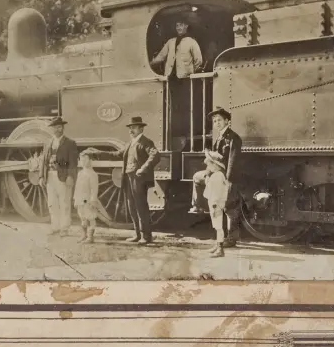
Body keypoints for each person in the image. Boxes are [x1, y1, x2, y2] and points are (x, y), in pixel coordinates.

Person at [86, 116, 160, 244]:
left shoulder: (146, 142)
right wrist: (98, 152)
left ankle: (146, 236)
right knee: (132, 207)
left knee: (141, 206)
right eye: (130, 128)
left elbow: (155, 155)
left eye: (134, 128)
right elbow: (116, 154)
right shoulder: (130, 143)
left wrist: (143, 168)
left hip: (138, 179)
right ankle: (137, 235)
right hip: (128, 178)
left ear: (141, 129)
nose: (131, 130)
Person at [190, 107, 243, 248]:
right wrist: (208, 173)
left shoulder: (233, 138)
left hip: (226, 177)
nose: (217, 123)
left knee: (230, 207)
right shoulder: (219, 138)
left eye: (219, 120)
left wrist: (229, 180)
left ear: (227, 121)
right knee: (197, 177)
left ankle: (232, 239)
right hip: (216, 175)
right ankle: (198, 206)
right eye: (214, 121)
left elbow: (233, 160)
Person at [150, 17, 203, 147]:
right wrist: (148, 64)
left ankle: (186, 132)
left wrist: (189, 73)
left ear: (187, 26)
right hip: (171, 79)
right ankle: (175, 132)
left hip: (185, 79)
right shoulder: (170, 42)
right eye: (177, 25)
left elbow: (199, 61)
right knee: (173, 106)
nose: (179, 27)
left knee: (186, 106)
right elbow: (161, 57)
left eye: (181, 25)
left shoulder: (191, 42)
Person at [39, 116, 79, 236]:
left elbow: (73, 162)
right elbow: (43, 161)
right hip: (50, 176)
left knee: (65, 203)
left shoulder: (70, 143)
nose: (58, 128)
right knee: (52, 203)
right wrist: (41, 176)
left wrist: (70, 176)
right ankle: (55, 226)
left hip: (63, 176)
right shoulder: (47, 143)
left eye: (60, 126)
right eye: (56, 127)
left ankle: (64, 228)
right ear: (52, 129)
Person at [202, 150, 230, 258]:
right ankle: (217, 245)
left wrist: (214, 204)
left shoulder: (218, 176)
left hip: (216, 204)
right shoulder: (216, 175)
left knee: (218, 226)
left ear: (215, 165)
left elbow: (217, 193)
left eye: (209, 164)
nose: (208, 167)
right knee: (216, 225)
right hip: (214, 203)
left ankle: (220, 249)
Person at [73, 152, 100, 244]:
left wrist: (93, 200)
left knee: (91, 217)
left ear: (91, 161)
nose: (84, 162)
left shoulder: (93, 174)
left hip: (87, 200)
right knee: (82, 217)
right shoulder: (80, 173)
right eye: (82, 160)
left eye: (86, 160)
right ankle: (84, 235)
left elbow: (94, 189)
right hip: (80, 199)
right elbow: (77, 187)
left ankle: (90, 237)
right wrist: (75, 199)